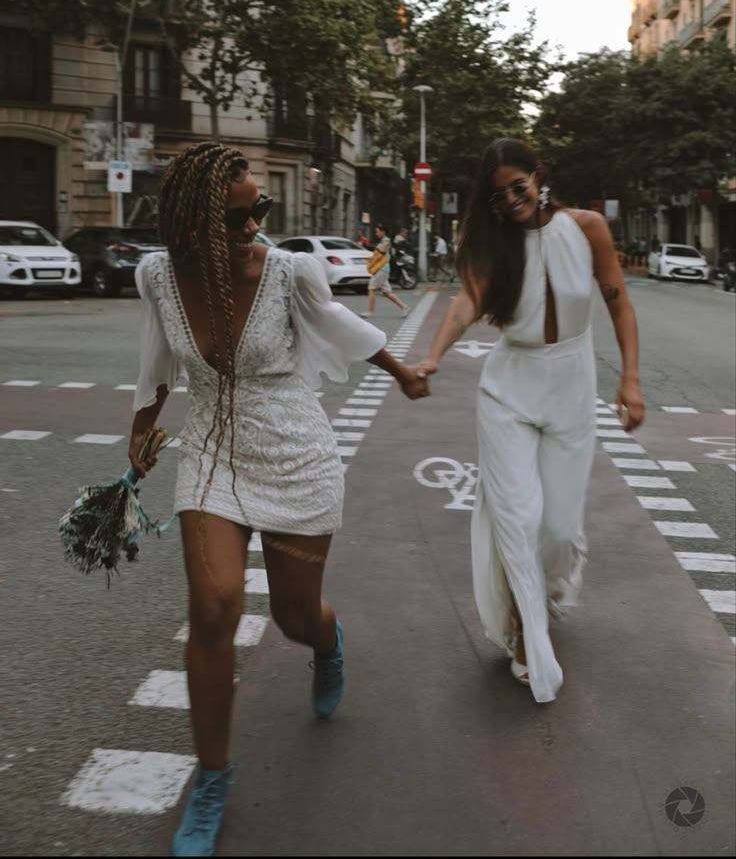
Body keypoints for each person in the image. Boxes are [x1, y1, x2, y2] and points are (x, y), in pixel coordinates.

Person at [128, 142, 429, 856]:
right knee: (213, 609)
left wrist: (401, 371)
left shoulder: (288, 271)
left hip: (295, 451)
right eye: (236, 217)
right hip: (211, 448)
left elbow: (342, 330)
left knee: (295, 615)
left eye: (259, 210)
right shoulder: (159, 277)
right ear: (189, 225)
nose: (253, 226)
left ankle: (326, 643)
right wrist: (139, 437)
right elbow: (156, 362)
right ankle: (211, 777)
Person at [415, 138, 645, 704]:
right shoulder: (492, 240)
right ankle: (524, 634)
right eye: (499, 195)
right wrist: (434, 356)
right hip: (509, 389)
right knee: (517, 518)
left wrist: (630, 379)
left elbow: (618, 302)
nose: (512, 200)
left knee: (560, 531)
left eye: (519, 186)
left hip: (570, 385)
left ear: (539, 176)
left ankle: (544, 598)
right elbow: (465, 303)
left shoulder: (587, 228)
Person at [360, 223, 410, 318]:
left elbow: (380, 255)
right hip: (382, 269)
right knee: (387, 292)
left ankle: (370, 312)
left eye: (377, 231)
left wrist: (371, 261)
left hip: (381, 269)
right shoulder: (383, 241)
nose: (376, 233)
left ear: (383, 232)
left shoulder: (386, 242)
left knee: (371, 288)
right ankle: (404, 307)